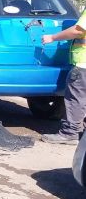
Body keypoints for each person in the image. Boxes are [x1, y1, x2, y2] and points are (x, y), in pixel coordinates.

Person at [41, 8, 86, 144]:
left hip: (84, 63)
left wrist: (52, 37)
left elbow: (78, 30)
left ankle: (70, 133)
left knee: (76, 99)